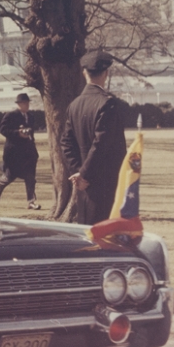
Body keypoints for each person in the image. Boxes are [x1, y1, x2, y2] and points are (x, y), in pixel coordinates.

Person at [61, 50, 127, 226]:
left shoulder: (74, 105)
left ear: (84, 73)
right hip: (105, 182)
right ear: (106, 73)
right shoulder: (108, 103)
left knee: (88, 233)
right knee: (105, 237)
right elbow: (101, 145)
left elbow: (66, 143)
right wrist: (83, 174)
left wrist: (78, 173)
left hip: (84, 185)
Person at [0, 92, 41, 210]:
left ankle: (31, 202)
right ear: (19, 104)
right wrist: (17, 133)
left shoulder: (31, 117)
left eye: (27, 103)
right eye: (24, 103)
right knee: (10, 176)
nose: (27, 105)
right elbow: (3, 130)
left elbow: (31, 134)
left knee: (30, 177)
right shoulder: (10, 115)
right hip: (14, 152)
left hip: (28, 153)